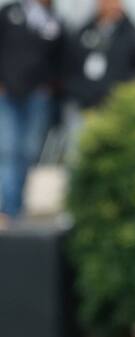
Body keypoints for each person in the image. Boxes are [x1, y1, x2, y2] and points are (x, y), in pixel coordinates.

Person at [0, 0, 64, 225]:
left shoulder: (54, 21)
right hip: (7, 94)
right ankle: (7, 209)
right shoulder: (10, 13)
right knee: (8, 151)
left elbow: (61, 59)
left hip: (37, 96)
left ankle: (19, 206)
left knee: (29, 152)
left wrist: (49, 86)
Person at [63, 0, 135, 112]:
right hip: (84, 102)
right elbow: (70, 64)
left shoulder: (131, 33)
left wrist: (125, 87)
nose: (111, 6)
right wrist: (78, 90)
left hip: (117, 102)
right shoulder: (85, 31)